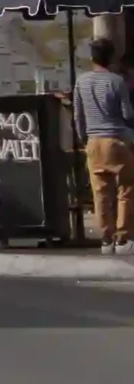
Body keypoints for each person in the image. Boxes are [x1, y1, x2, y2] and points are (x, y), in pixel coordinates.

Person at [74, 39, 134, 251]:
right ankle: (123, 238)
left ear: (92, 57)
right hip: (116, 140)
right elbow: (127, 114)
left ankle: (106, 239)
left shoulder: (81, 81)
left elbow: (78, 116)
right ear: (111, 58)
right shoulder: (117, 81)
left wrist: (84, 139)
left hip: (93, 142)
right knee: (126, 189)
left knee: (100, 194)